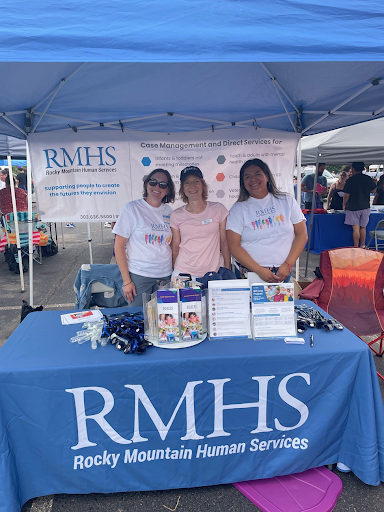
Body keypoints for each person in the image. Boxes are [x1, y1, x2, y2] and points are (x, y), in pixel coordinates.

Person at [226, 158, 307, 283]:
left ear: (267, 177)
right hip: (250, 273)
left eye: (257, 174)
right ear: (243, 183)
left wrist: (288, 264)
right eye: (247, 176)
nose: (253, 179)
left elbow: (302, 235)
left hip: (282, 272)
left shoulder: (287, 201)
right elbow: (233, 246)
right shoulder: (238, 209)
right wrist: (259, 270)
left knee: (280, 303)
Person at [113, 168, 175, 306]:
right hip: (139, 277)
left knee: (164, 321)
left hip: (165, 276)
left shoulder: (169, 212)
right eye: (153, 182)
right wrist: (127, 281)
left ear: (168, 190)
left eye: (163, 184)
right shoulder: (131, 209)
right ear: (146, 184)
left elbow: (171, 245)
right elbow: (119, 246)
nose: (157, 187)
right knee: (139, 321)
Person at [170, 166, 230, 279]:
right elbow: (175, 248)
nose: (192, 186)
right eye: (187, 182)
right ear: (182, 188)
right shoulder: (176, 215)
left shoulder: (218, 209)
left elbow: (224, 243)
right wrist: (175, 272)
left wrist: (227, 270)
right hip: (184, 273)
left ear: (203, 185)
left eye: (196, 181)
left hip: (214, 273)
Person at [343, 161, 375, 247]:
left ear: (353, 169)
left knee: (356, 229)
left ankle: (356, 247)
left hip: (353, 207)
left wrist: (344, 204)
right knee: (363, 227)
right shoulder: (368, 178)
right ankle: (363, 246)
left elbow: (346, 195)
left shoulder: (350, 180)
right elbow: (373, 190)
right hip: (365, 206)